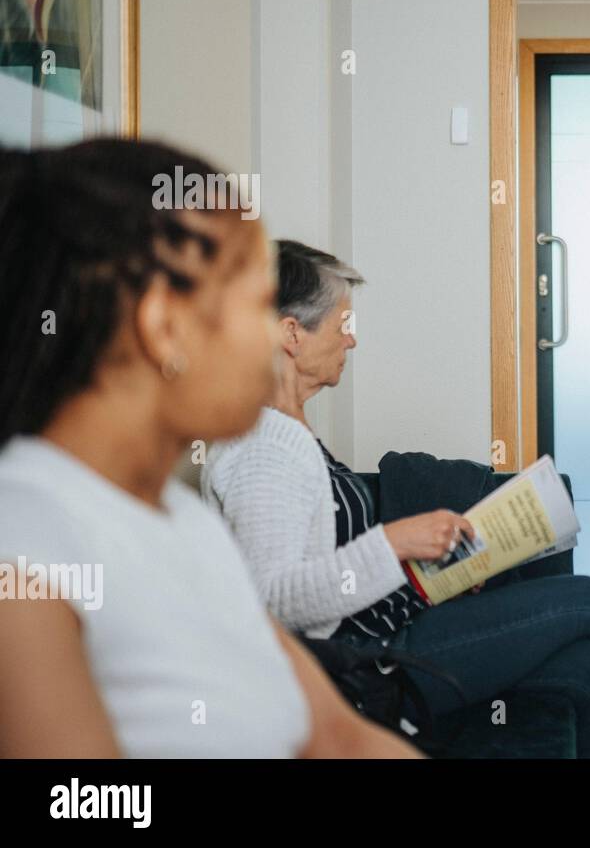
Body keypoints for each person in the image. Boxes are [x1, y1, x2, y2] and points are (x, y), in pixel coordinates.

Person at [0, 140, 423, 757]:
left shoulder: (187, 523)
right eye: (258, 304)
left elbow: (339, 737)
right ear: (164, 328)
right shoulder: (26, 543)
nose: (277, 341)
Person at [201, 240, 590, 757]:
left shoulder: (288, 433)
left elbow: (332, 570)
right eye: (343, 324)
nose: (351, 340)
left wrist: (434, 572)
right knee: (584, 598)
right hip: (364, 667)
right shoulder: (264, 445)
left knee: (589, 665)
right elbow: (276, 601)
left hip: (386, 633)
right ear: (291, 334)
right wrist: (395, 542)